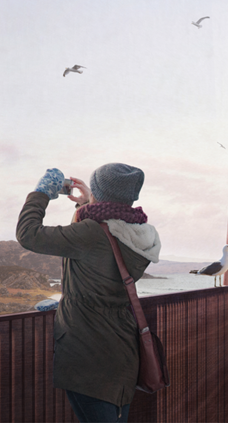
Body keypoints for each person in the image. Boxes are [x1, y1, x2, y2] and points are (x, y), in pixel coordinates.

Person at [16, 163, 161, 423]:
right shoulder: (138, 234)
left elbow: (28, 235)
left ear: (101, 193)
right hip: (123, 352)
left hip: (88, 354)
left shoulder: (92, 233)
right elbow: (98, 263)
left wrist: (41, 193)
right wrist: (85, 206)